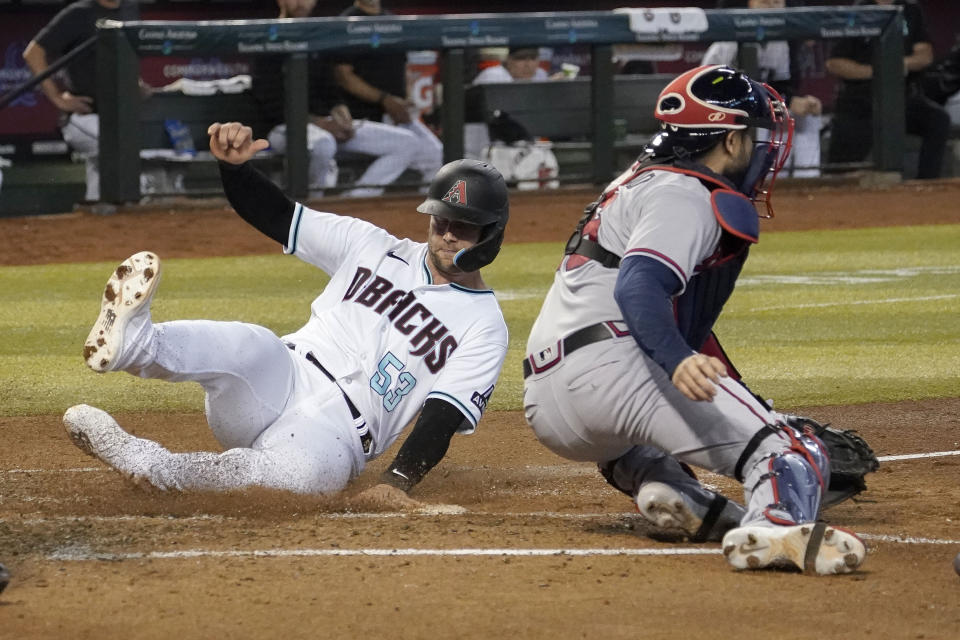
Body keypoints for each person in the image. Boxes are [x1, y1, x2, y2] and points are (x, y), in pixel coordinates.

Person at [522, 64, 867, 575]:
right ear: (729, 141)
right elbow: (639, 284)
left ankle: (669, 488)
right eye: (756, 137)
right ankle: (775, 526)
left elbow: (676, 317)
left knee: (652, 433)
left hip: (549, 402)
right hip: (614, 372)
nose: (765, 150)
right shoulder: (685, 193)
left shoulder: (634, 182)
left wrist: (744, 400)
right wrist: (679, 359)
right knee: (792, 450)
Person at [63, 121, 510, 507]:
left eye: (463, 226)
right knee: (249, 343)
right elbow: (279, 215)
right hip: (283, 374)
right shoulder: (370, 245)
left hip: (339, 435)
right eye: (440, 222)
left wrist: (398, 480)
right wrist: (234, 169)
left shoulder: (484, 326)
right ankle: (138, 343)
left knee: (291, 481)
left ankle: (150, 464)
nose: (448, 235)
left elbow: (442, 415)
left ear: (490, 235)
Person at [253, 0, 426, 198]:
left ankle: (354, 200)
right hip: (284, 128)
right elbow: (269, 103)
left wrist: (341, 112)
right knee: (323, 143)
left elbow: (329, 88)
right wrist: (317, 122)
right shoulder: (267, 37)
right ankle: (311, 204)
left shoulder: (316, 36)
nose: (301, 2)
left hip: (326, 125)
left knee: (408, 142)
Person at [22, 0, 152, 203]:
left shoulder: (129, 9)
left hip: (119, 114)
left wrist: (135, 82)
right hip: (84, 116)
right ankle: (131, 203)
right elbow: (33, 52)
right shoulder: (80, 13)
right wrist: (58, 98)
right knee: (118, 149)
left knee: (103, 167)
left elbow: (125, 54)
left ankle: (100, 216)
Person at [825, 0, 950, 179]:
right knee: (837, 174)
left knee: (937, 120)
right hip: (860, 101)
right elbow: (834, 63)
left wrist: (896, 65)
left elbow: (925, 54)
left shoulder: (910, 9)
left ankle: (926, 184)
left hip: (900, 97)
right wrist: (878, 71)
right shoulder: (857, 12)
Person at [703, 0, 823, 177]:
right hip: (722, 111)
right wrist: (781, 103)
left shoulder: (779, 42)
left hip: (761, 107)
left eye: (778, 1)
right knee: (759, 118)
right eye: (766, 1)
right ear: (751, 4)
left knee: (805, 116)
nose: (774, 5)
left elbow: (781, 84)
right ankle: (759, 179)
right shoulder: (727, 40)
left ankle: (807, 179)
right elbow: (709, 86)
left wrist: (790, 102)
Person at [330, 0, 443, 188]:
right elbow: (343, 76)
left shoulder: (393, 21)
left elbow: (403, 67)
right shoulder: (346, 22)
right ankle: (358, 202)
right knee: (407, 144)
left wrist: (405, 101)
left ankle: (419, 212)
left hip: (394, 116)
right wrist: (386, 99)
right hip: (358, 118)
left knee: (435, 153)